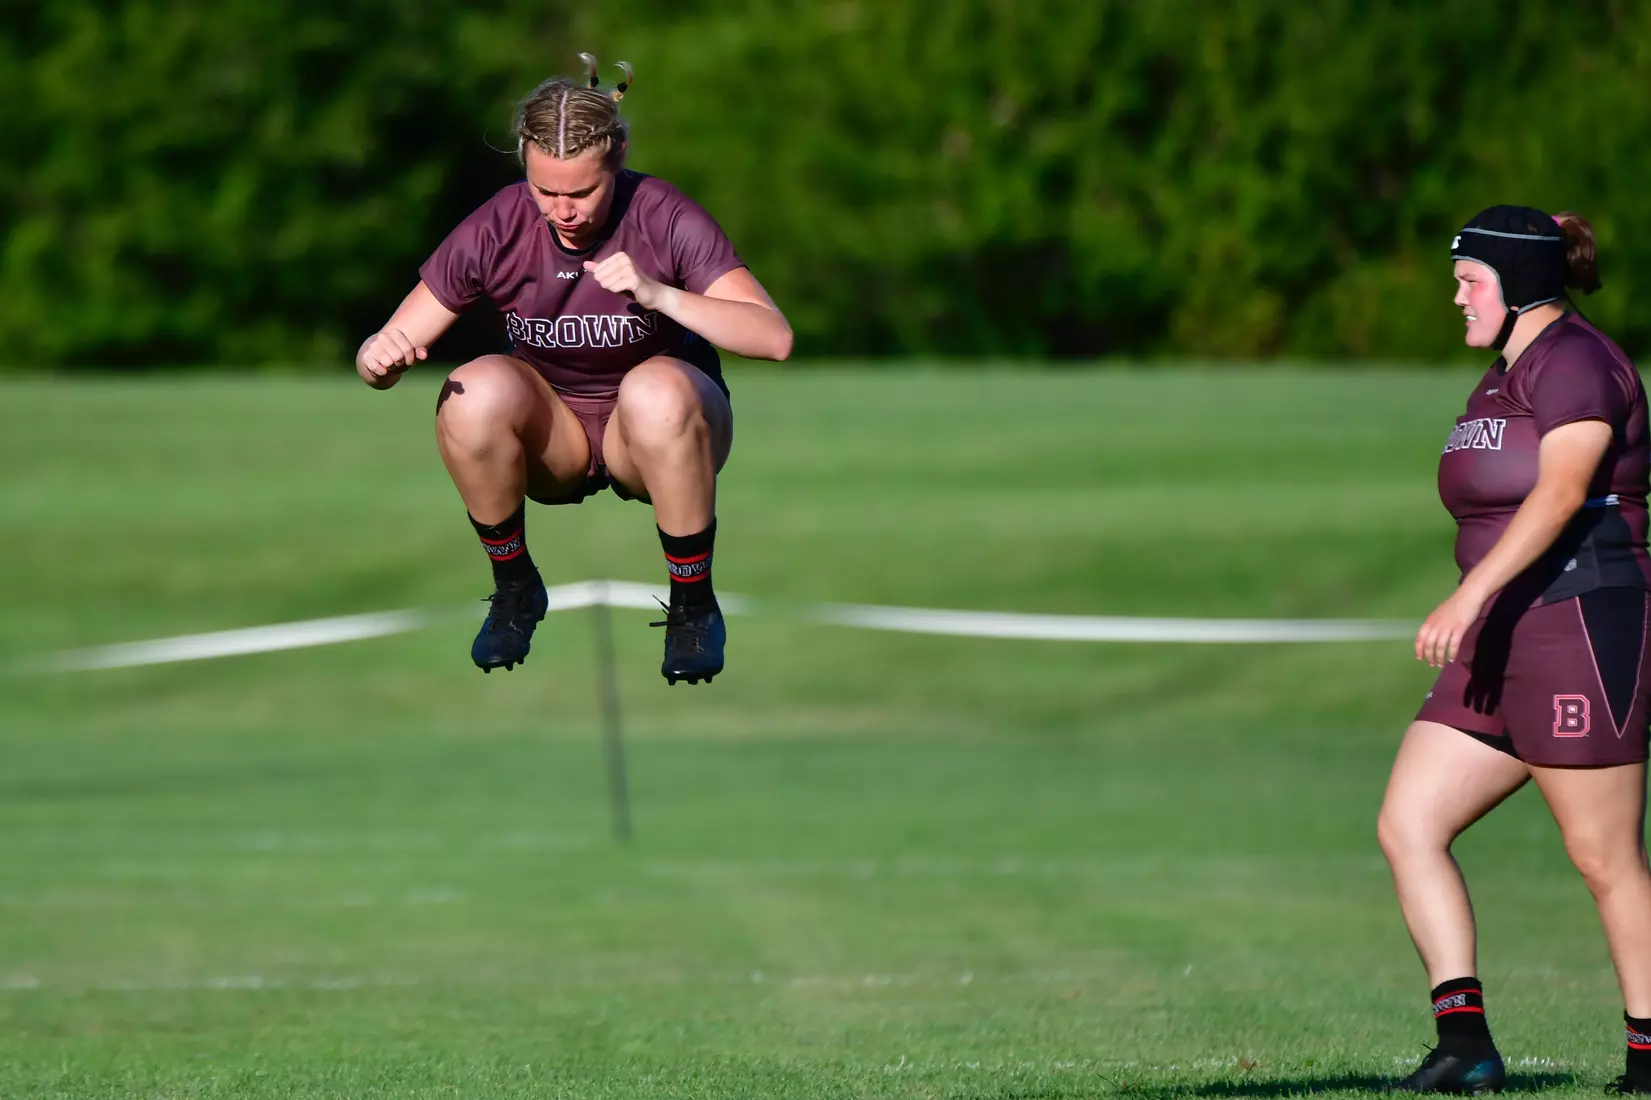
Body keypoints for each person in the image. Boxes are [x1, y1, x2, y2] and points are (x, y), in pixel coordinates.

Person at [353, 55, 792, 684]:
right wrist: (377, 359)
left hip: (658, 432)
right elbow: (389, 348)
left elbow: (773, 337)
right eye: (545, 191)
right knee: (470, 391)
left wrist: (662, 295)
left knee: (654, 388)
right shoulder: (499, 224)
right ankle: (515, 588)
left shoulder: (661, 213)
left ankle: (694, 603)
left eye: (582, 192)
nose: (563, 210)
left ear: (615, 164)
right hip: (555, 432)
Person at [1378, 206, 1651, 1094]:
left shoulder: (1576, 362)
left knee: (1601, 857)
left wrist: (1467, 592)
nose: (1454, 296)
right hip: (1501, 641)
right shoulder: (1503, 375)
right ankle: (1465, 1047)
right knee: (1409, 824)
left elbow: (1565, 490)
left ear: (1520, 282)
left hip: (1579, 624)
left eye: (1469, 281)